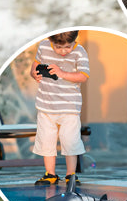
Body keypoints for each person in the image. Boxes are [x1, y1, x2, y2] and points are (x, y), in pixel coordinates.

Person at [30, 31, 90, 186]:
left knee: (70, 140)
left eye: (68, 47)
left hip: (69, 107)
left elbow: (83, 76)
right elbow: (36, 64)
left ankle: (71, 175)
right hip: (46, 105)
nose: (64, 51)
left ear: (74, 41)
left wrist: (62, 73)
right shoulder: (43, 46)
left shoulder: (80, 52)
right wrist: (34, 73)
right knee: (46, 141)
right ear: (50, 39)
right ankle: (50, 174)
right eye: (58, 47)